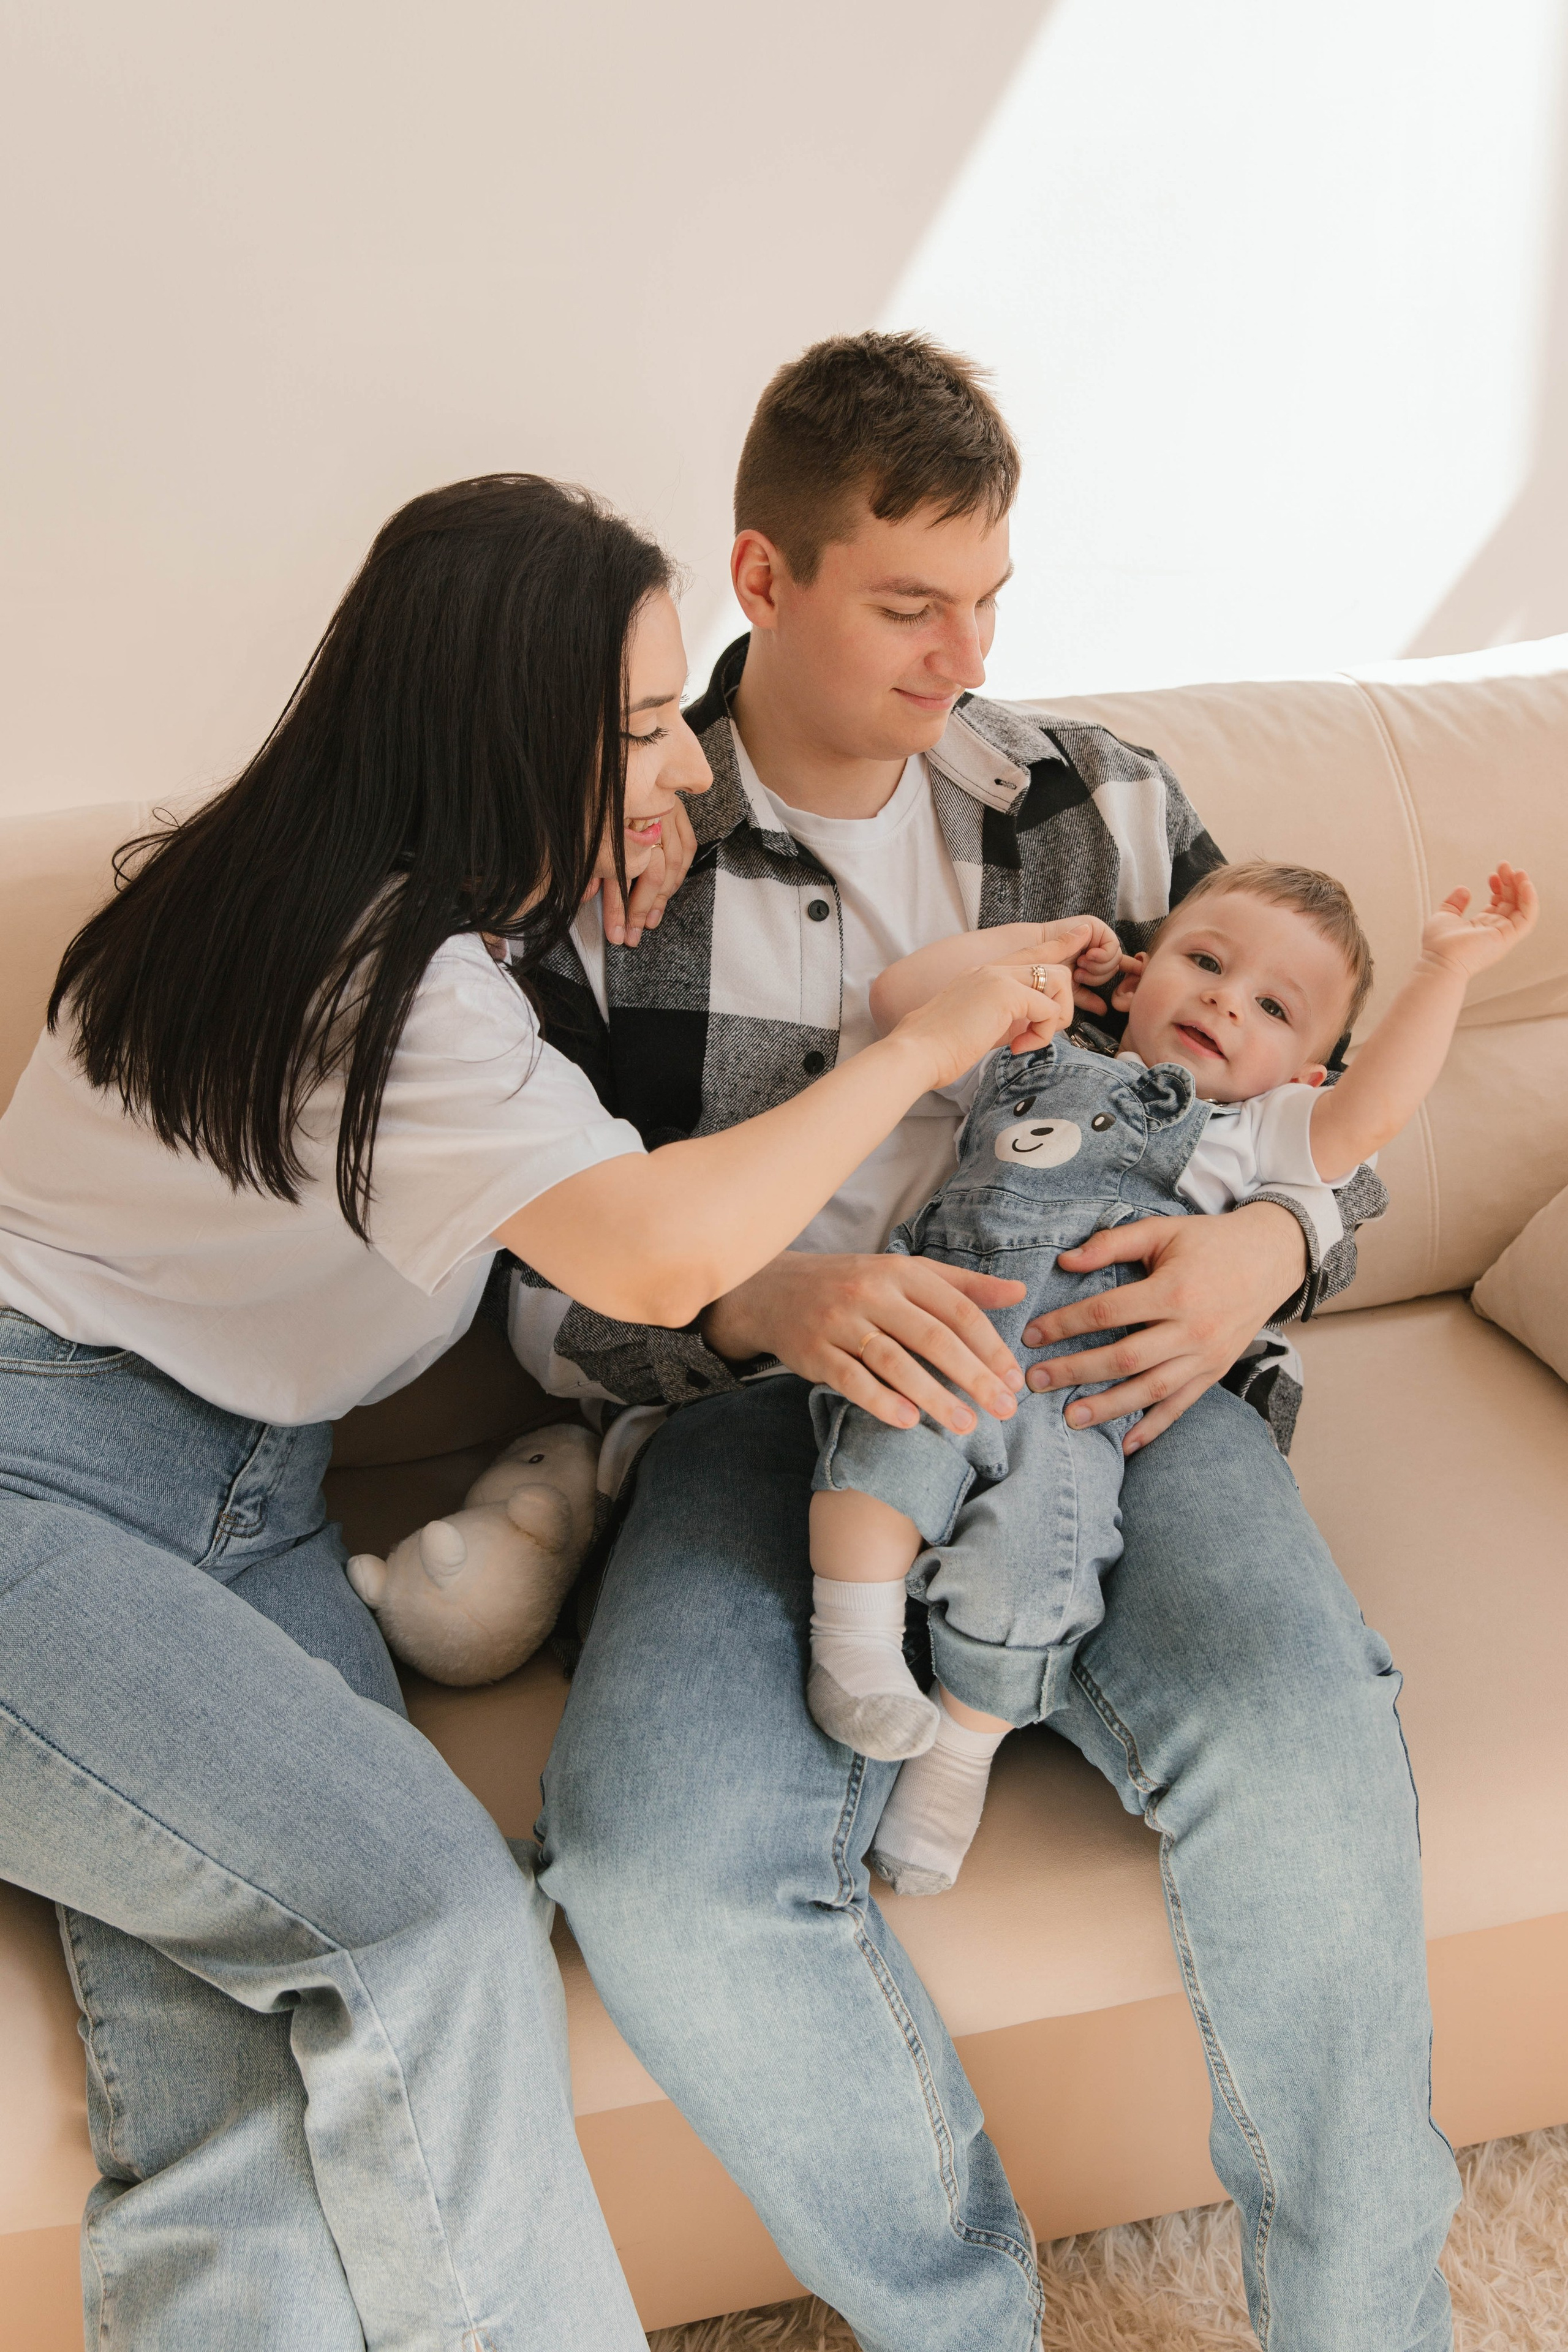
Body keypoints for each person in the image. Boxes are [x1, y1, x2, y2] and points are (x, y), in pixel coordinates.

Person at [0, 472, 1053, 2352]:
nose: (684, 769)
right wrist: (923, 1033)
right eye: (644, 731)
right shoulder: (370, 982)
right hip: (36, 1485)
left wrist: (578, 875)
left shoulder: (407, 926)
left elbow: (595, 1210)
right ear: (495, 734)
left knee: (242, 2078)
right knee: (436, 1934)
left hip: (250, 1507)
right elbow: (650, 1255)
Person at [518, 337, 1464, 2351]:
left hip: (1130, 1373)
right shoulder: (609, 868)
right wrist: (768, 1295)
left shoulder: (1103, 807)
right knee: (658, 1876)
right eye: (909, 605)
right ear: (763, 579)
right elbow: (524, 1281)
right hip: (766, 1410)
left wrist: (1270, 1253)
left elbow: (1331, 1101)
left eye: (993, 601)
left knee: (1313, 1766)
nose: (965, 657)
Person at [806, 859, 1537, 1896]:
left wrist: (1446, 973)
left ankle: (957, 1758)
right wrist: (1053, 946)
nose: (1227, 1000)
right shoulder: (1030, 1046)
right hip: (948, 1317)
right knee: (884, 1448)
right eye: (1205, 962)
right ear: (1143, 973)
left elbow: (1373, 1119)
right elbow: (901, 1001)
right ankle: (857, 1646)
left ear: (1304, 1075)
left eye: (1275, 1008)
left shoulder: (1260, 1133)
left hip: (1079, 1400)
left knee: (1047, 1557)